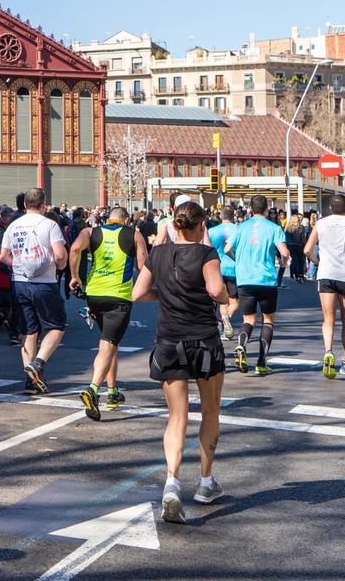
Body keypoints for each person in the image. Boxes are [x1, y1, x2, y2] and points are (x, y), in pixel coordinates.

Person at [132, 200, 229, 524]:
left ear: (175, 225)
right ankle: (205, 482)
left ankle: (172, 482)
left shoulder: (158, 254)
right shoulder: (206, 255)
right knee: (210, 409)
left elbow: (138, 293)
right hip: (203, 338)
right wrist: (225, 297)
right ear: (202, 226)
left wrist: (165, 295)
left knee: (177, 417)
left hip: (169, 339)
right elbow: (216, 289)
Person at [69, 205, 147, 419]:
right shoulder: (134, 235)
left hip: (93, 295)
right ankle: (93, 389)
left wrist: (74, 276)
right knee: (108, 344)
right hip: (118, 296)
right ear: (126, 221)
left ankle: (112, 391)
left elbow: (75, 249)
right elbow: (144, 266)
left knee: (110, 341)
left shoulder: (91, 232)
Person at [0, 187, 68, 394]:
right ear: (43, 204)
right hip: (44, 282)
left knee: (29, 331)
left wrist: (18, 265)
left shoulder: (13, 225)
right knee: (56, 326)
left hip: (19, 281)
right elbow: (60, 255)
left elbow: (2, 256)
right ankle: (37, 364)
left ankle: (30, 381)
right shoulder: (50, 225)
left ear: (24, 205)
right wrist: (59, 267)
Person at [304, 194, 345, 379]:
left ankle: (328, 351)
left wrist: (317, 262)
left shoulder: (320, 223)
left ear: (331, 209)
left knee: (328, 318)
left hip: (326, 274)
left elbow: (307, 250)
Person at [225, 194, 290, 376]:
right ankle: (261, 362)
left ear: (250, 209)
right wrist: (284, 263)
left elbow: (227, 249)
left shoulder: (240, 227)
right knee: (268, 320)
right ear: (267, 208)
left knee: (249, 319)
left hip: (245, 278)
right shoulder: (274, 228)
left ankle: (241, 345)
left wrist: (238, 260)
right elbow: (284, 251)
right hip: (267, 279)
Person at [207, 206, 239, 341]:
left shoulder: (212, 231)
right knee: (235, 301)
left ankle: (223, 321)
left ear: (221, 216)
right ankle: (227, 317)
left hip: (217, 269)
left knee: (222, 300)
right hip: (234, 269)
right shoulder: (239, 230)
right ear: (234, 216)